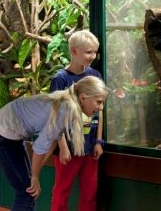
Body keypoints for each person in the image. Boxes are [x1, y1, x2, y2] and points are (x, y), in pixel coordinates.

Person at [0, 75, 109, 211]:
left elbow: (51, 140)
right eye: (98, 102)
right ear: (83, 98)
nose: (100, 107)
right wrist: (35, 176)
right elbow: (40, 147)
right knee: (27, 192)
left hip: (9, 136)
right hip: (0, 136)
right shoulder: (65, 109)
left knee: (28, 190)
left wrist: (34, 174)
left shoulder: (69, 105)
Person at [50, 30, 104, 211]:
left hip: (89, 146)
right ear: (73, 51)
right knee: (62, 191)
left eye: (94, 52)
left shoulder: (95, 75)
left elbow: (100, 110)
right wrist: (63, 147)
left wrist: (98, 141)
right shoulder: (61, 79)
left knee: (90, 192)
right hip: (68, 148)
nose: (92, 56)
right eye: (88, 52)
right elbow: (55, 116)